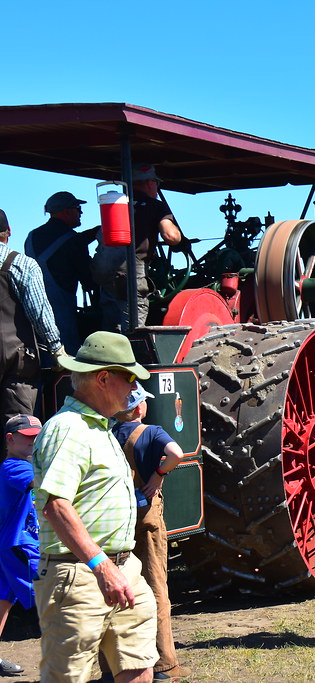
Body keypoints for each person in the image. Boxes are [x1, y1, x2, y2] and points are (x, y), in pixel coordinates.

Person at [32, 331, 157, 683]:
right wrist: (101, 565)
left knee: (139, 667)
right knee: (68, 677)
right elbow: (56, 505)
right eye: (129, 377)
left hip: (121, 570)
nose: (134, 387)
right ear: (103, 379)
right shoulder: (70, 429)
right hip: (80, 576)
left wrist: (118, 567)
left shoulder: (99, 428)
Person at [111, 384, 191, 681]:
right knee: (155, 585)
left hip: (114, 520)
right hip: (145, 517)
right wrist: (158, 475)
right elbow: (176, 453)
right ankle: (163, 664)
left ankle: (114, 666)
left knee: (118, 588)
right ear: (138, 408)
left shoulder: (107, 434)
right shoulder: (152, 431)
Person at [0, 209, 64, 448]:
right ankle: (15, 483)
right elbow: (40, 314)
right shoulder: (22, 264)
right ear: (8, 233)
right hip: (16, 360)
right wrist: (57, 350)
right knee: (19, 431)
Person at [96, 164, 183, 332]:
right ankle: (133, 355)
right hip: (130, 272)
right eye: (156, 184)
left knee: (110, 325)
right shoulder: (155, 206)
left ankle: (105, 356)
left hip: (104, 270)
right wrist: (182, 240)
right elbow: (170, 237)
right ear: (150, 183)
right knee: (133, 327)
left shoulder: (117, 206)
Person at [25, 191, 99, 353]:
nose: (81, 212)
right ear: (66, 211)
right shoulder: (73, 241)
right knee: (67, 357)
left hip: (31, 310)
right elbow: (90, 280)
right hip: (62, 314)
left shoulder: (31, 237)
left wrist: (93, 233)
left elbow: (60, 246)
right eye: (78, 208)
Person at [0, 415, 43, 678]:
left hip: (14, 544)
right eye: (27, 436)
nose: (33, 441)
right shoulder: (15, 467)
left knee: (2, 601)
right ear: (10, 439)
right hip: (21, 546)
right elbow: (41, 482)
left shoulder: (24, 464)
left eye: (37, 436)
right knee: (58, 593)